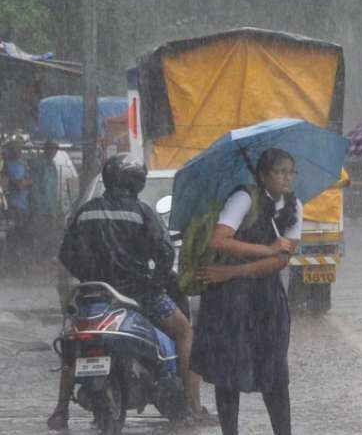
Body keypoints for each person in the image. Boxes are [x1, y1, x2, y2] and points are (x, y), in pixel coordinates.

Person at [47, 154, 202, 430]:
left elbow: (65, 254)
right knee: (185, 331)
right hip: (139, 294)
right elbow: (165, 254)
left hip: (92, 295)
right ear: (136, 183)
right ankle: (192, 407)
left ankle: (60, 410)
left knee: (73, 345)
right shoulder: (142, 213)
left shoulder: (86, 211)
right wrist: (156, 282)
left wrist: (89, 276)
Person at [191, 148, 302, 435]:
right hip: (229, 299)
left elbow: (281, 261)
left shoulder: (294, 207)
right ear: (263, 175)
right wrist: (266, 248)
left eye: (291, 171)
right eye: (279, 171)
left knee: (275, 370)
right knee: (228, 370)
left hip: (265, 297)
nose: (286, 177)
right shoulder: (243, 199)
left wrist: (234, 272)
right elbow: (220, 239)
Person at [30, 140, 63, 258]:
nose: (54, 152)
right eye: (53, 149)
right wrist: (35, 204)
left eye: (55, 150)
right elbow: (35, 186)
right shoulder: (39, 164)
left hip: (50, 206)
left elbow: (53, 187)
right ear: (47, 150)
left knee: (50, 233)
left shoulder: (53, 165)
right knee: (39, 233)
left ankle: (46, 256)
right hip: (40, 206)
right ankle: (37, 257)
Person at [2, 140, 33, 264]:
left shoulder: (23, 163)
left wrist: (25, 183)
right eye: (14, 148)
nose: (17, 151)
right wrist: (18, 183)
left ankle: (19, 261)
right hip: (13, 204)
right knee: (13, 234)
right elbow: (9, 182)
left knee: (22, 233)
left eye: (18, 148)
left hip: (23, 204)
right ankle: (12, 260)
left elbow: (31, 179)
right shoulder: (6, 165)